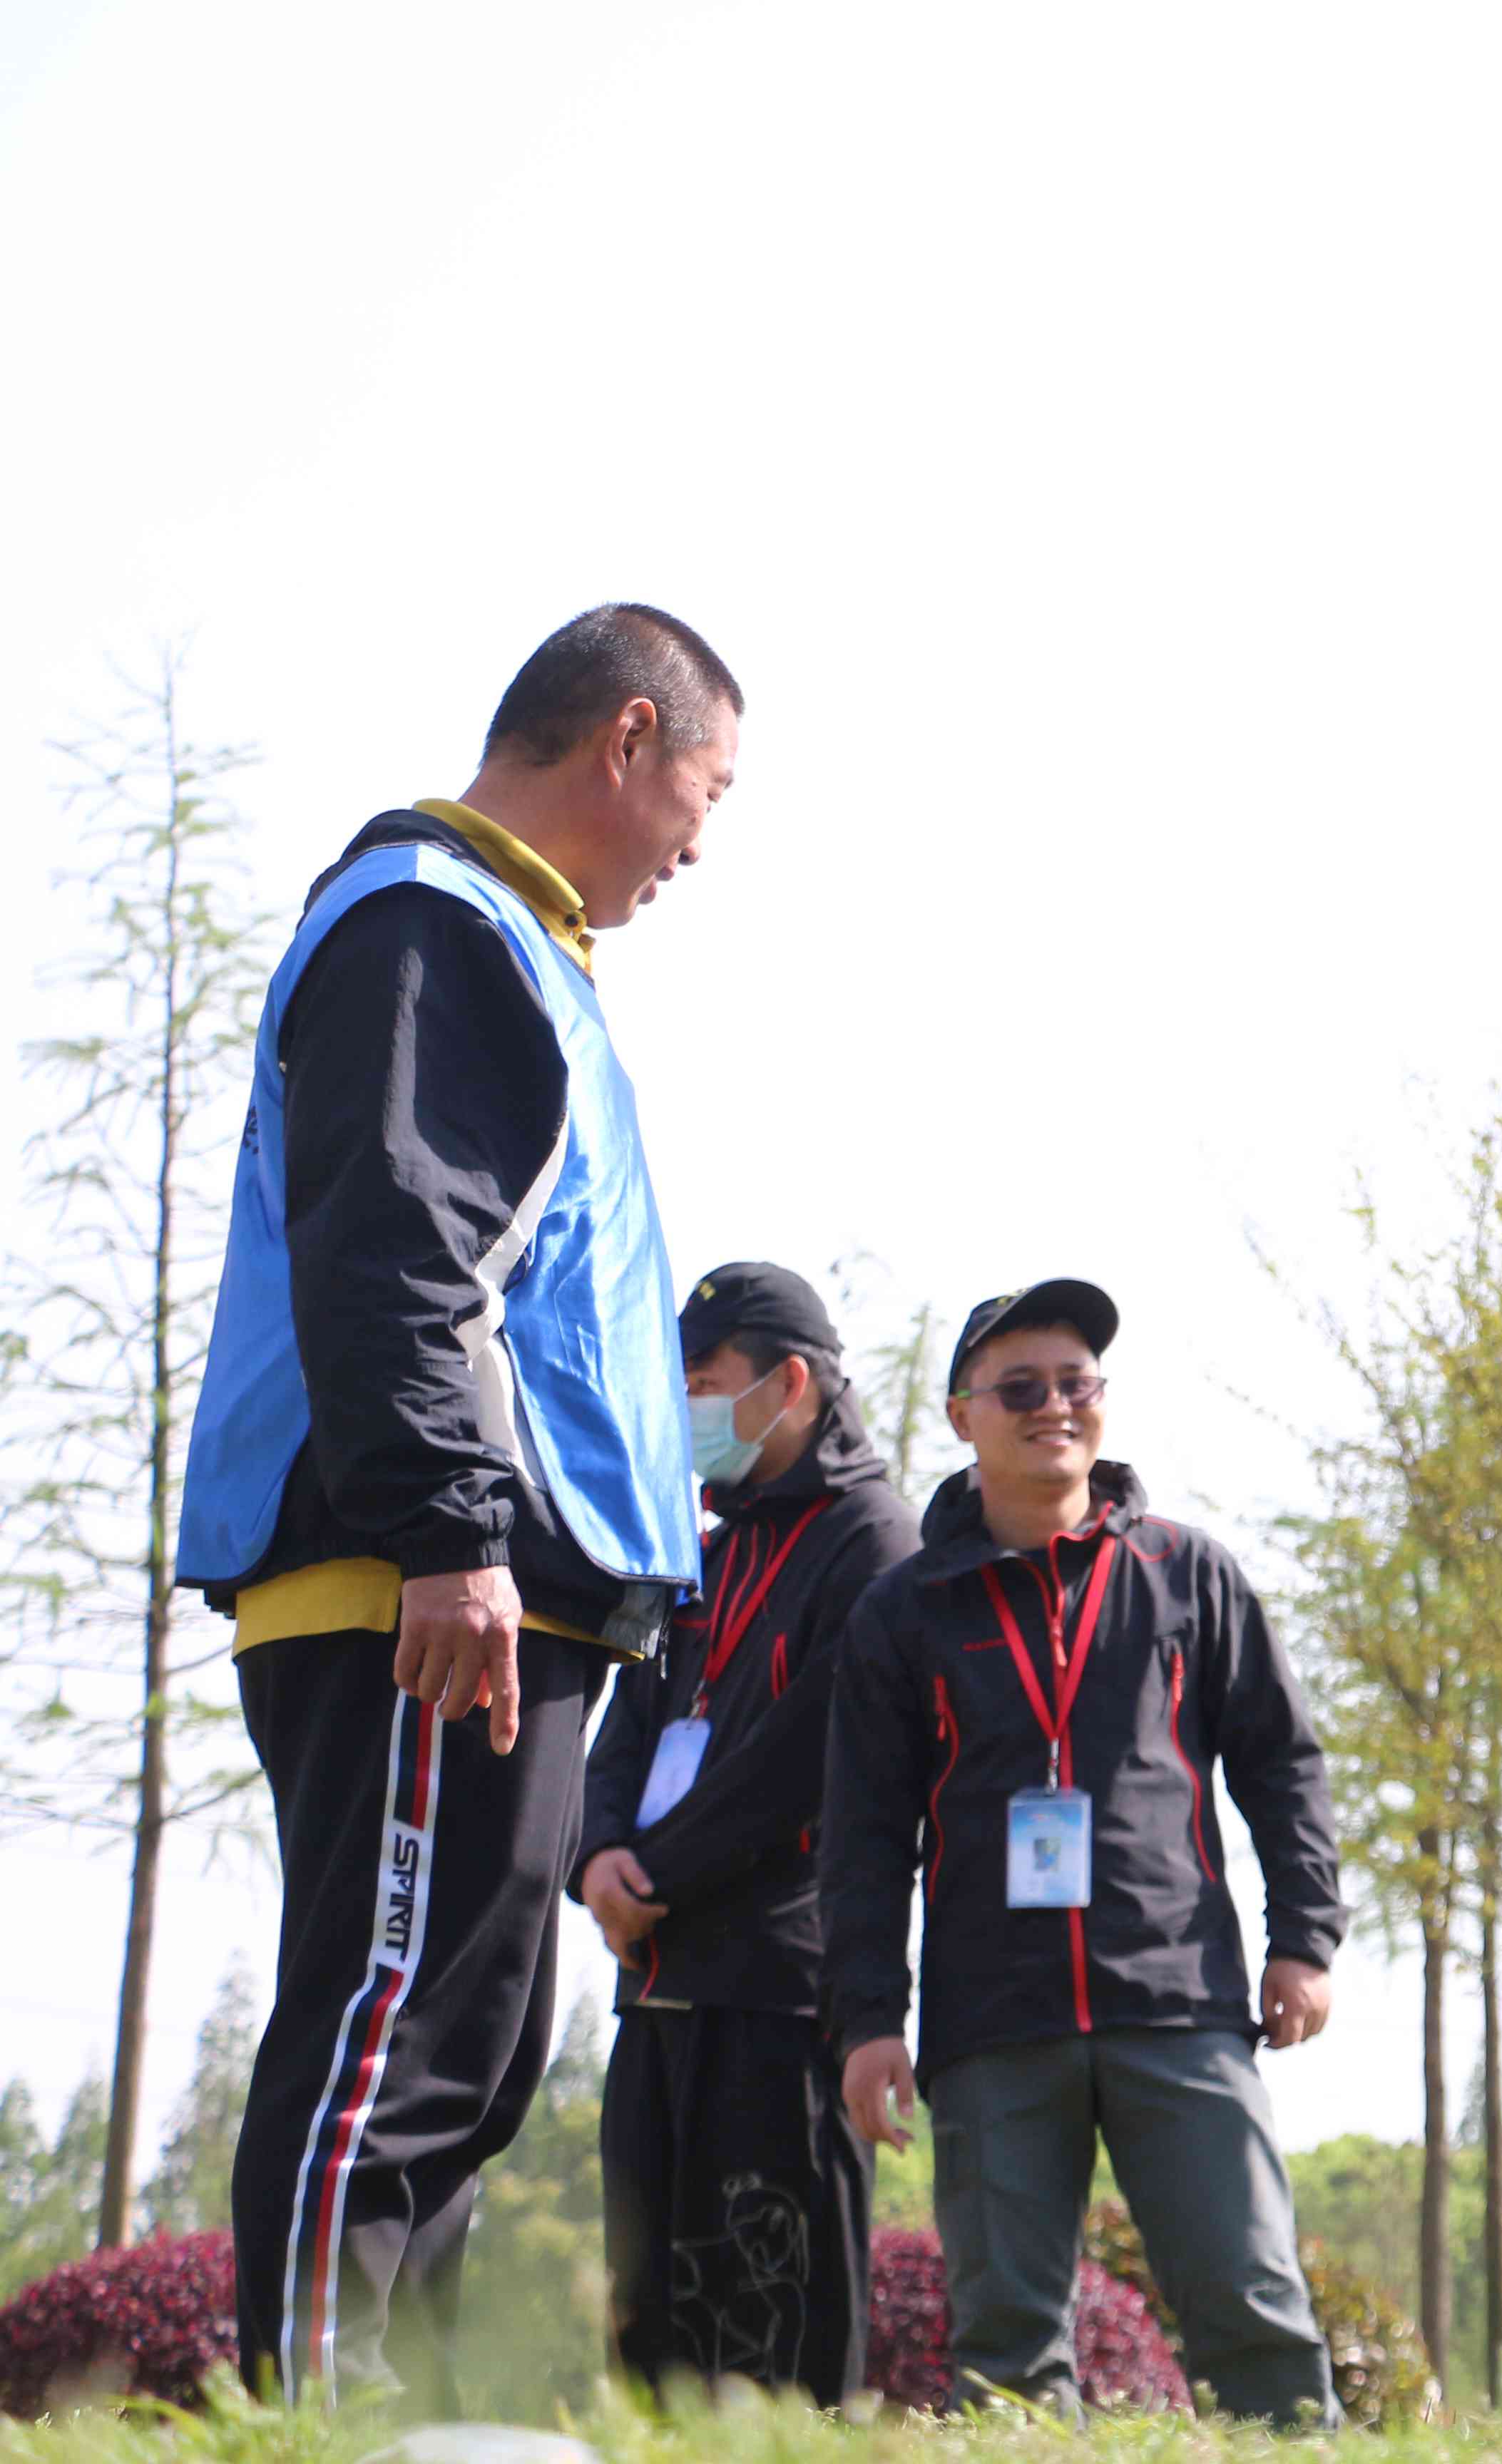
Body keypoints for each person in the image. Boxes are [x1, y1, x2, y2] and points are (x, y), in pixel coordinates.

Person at [179, 604, 738, 2401]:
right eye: (705, 794)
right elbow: (394, 1245)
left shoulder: (517, 941)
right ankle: (315, 2426)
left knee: (467, 2059)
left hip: (514, 1587)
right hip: (420, 1581)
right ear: (630, 739)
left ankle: (398, 2426)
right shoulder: (433, 921)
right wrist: (447, 1532)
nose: (699, 846)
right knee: (390, 2033)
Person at [817, 1281, 1343, 2421]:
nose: (1053, 1406)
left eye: (1076, 1383)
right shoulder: (902, 1613)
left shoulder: (1186, 1573)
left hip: (1180, 2003)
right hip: (993, 2020)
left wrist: (1303, 1939)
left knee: (1254, 2313)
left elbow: (1280, 1764)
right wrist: (866, 2020)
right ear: (964, 1416)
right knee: (1005, 2349)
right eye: (1020, 1388)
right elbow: (862, 1836)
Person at [575, 1263, 919, 2401]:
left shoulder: (876, 1542)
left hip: (780, 1990)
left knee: (772, 2325)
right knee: (649, 2327)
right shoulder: (700, 1548)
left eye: (703, 1384)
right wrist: (596, 1856)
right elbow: (629, 1723)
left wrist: (653, 1870)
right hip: (654, 1974)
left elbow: (803, 1757)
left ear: (791, 1385)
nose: (684, 1410)